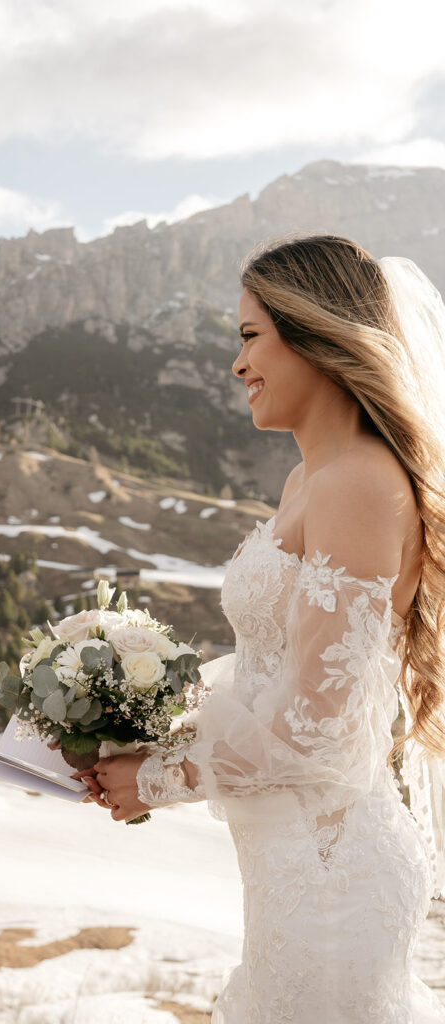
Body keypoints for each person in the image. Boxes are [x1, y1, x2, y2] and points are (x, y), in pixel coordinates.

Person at [80, 235, 445, 1022]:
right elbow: (273, 672)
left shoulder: (357, 482)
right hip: (293, 867)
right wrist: (142, 719)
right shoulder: (308, 479)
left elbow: (319, 728)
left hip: (330, 877)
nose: (237, 364)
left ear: (316, 334)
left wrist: (157, 778)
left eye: (251, 336)